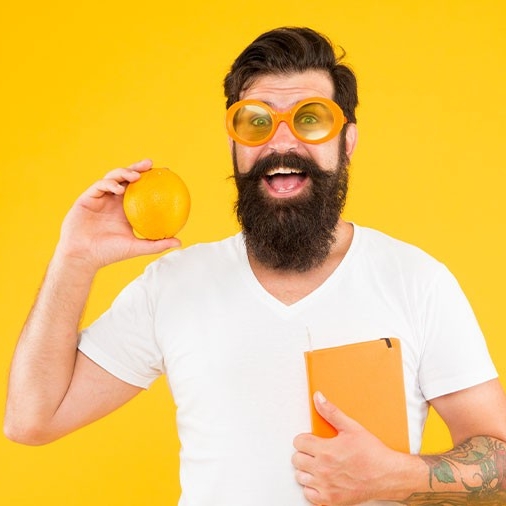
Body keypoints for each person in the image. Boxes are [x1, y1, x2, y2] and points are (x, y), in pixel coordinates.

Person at [4, 26, 506, 506]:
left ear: (347, 140)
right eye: (256, 121)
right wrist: (74, 259)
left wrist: (397, 477)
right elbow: (31, 419)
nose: (281, 143)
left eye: (310, 118)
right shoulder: (174, 284)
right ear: (234, 143)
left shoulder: (417, 281)